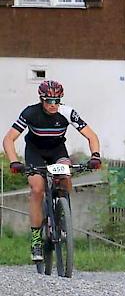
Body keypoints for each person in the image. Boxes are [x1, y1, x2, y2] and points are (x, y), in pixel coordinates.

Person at [3, 80, 101, 261]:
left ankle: (62, 211)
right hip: (35, 152)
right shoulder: (30, 113)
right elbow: (9, 139)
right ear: (41, 100)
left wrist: (95, 155)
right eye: (49, 101)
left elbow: (91, 135)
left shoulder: (67, 112)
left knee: (65, 175)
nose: (53, 105)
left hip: (57, 151)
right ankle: (36, 241)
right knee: (37, 189)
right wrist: (14, 161)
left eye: (57, 101)